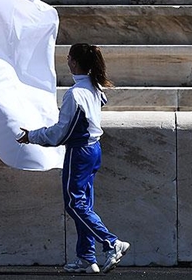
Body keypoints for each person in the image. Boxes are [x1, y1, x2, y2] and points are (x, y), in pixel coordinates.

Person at [17, 43, 130, 274]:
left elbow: (60, 133)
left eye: (69, 57)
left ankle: (111, 243)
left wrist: (32, 136)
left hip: (79, 152)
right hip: (93, 149)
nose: (67, 60)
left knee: (75, 204)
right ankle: (87, 258)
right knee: (84, 204)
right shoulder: (94, 87)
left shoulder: (74, 95)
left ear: (75, 62)